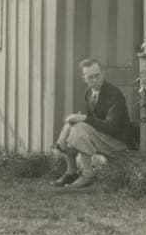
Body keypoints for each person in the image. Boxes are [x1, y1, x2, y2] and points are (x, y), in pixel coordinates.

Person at [51, 58, 136, 189]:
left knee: (80, 126)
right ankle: (71, 171)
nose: (95, 80)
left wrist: (84, 118)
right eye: (90, 77)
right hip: (103, 138)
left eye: (97, 75)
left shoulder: (114, 94)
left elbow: (111, 127)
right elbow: (92, 124)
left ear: (103, 73)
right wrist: (76, 122)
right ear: (83, 78)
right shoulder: (88, 93)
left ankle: (88, 175)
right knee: (71, 125)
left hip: (119, 142)